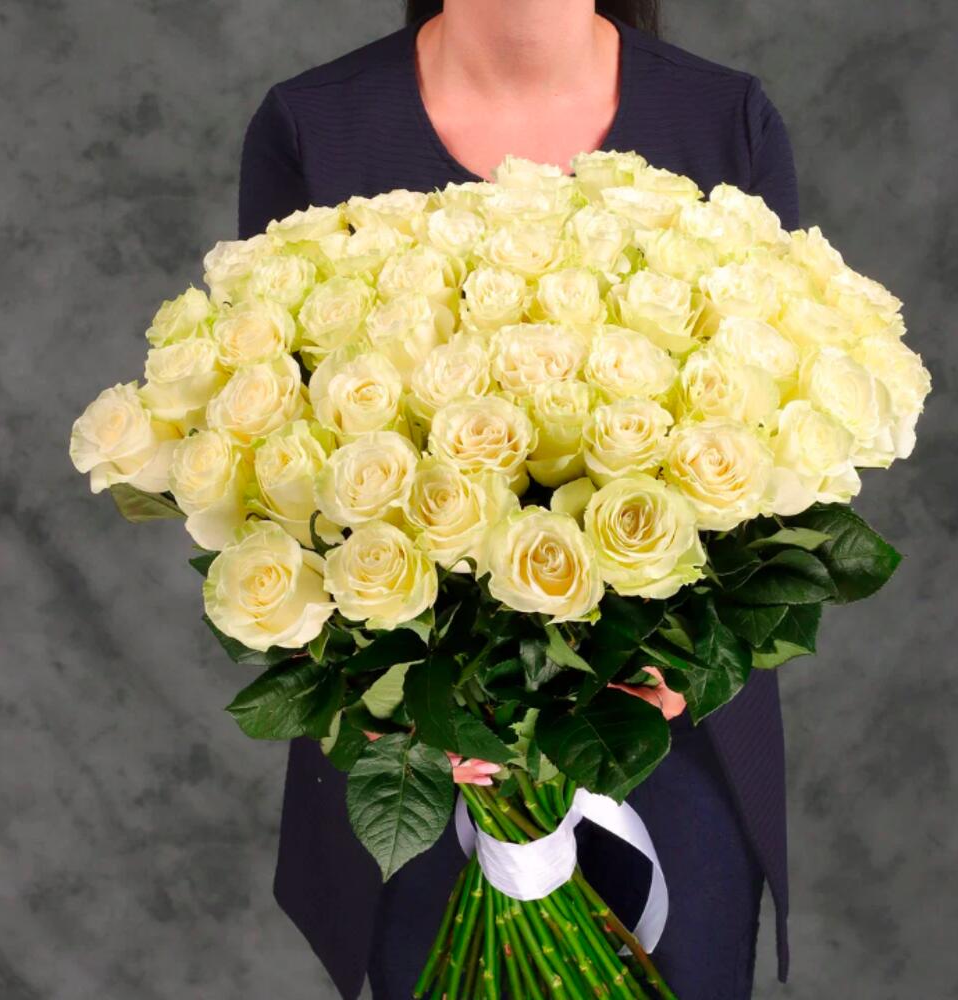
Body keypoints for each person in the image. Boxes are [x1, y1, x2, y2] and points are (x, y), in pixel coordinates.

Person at [236, 2, 799, 996]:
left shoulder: (723, 120)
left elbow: (781, 439)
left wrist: (691, 661)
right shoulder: (315, 126)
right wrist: (393, 688)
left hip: (665, 729)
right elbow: (270, 458)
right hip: (423, 738)